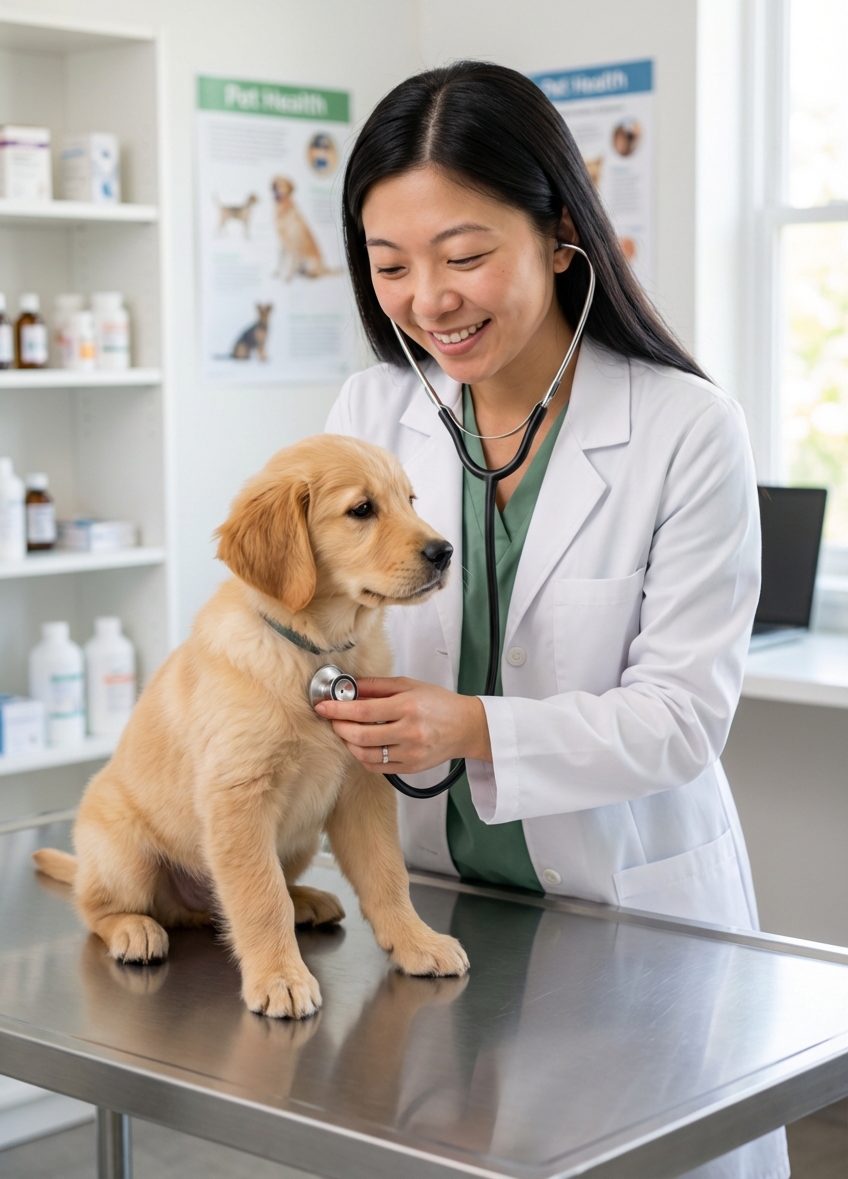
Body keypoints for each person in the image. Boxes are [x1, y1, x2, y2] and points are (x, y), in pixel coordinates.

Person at [319, 62, 789, 1179]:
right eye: (390, 266)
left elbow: (679, 719)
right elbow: (312, 627)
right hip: (431, 909)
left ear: (560, 233)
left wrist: (467, 725)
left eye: (464, 255)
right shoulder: (371, 411)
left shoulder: (683, 426)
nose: (427, 299)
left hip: (620, 916)